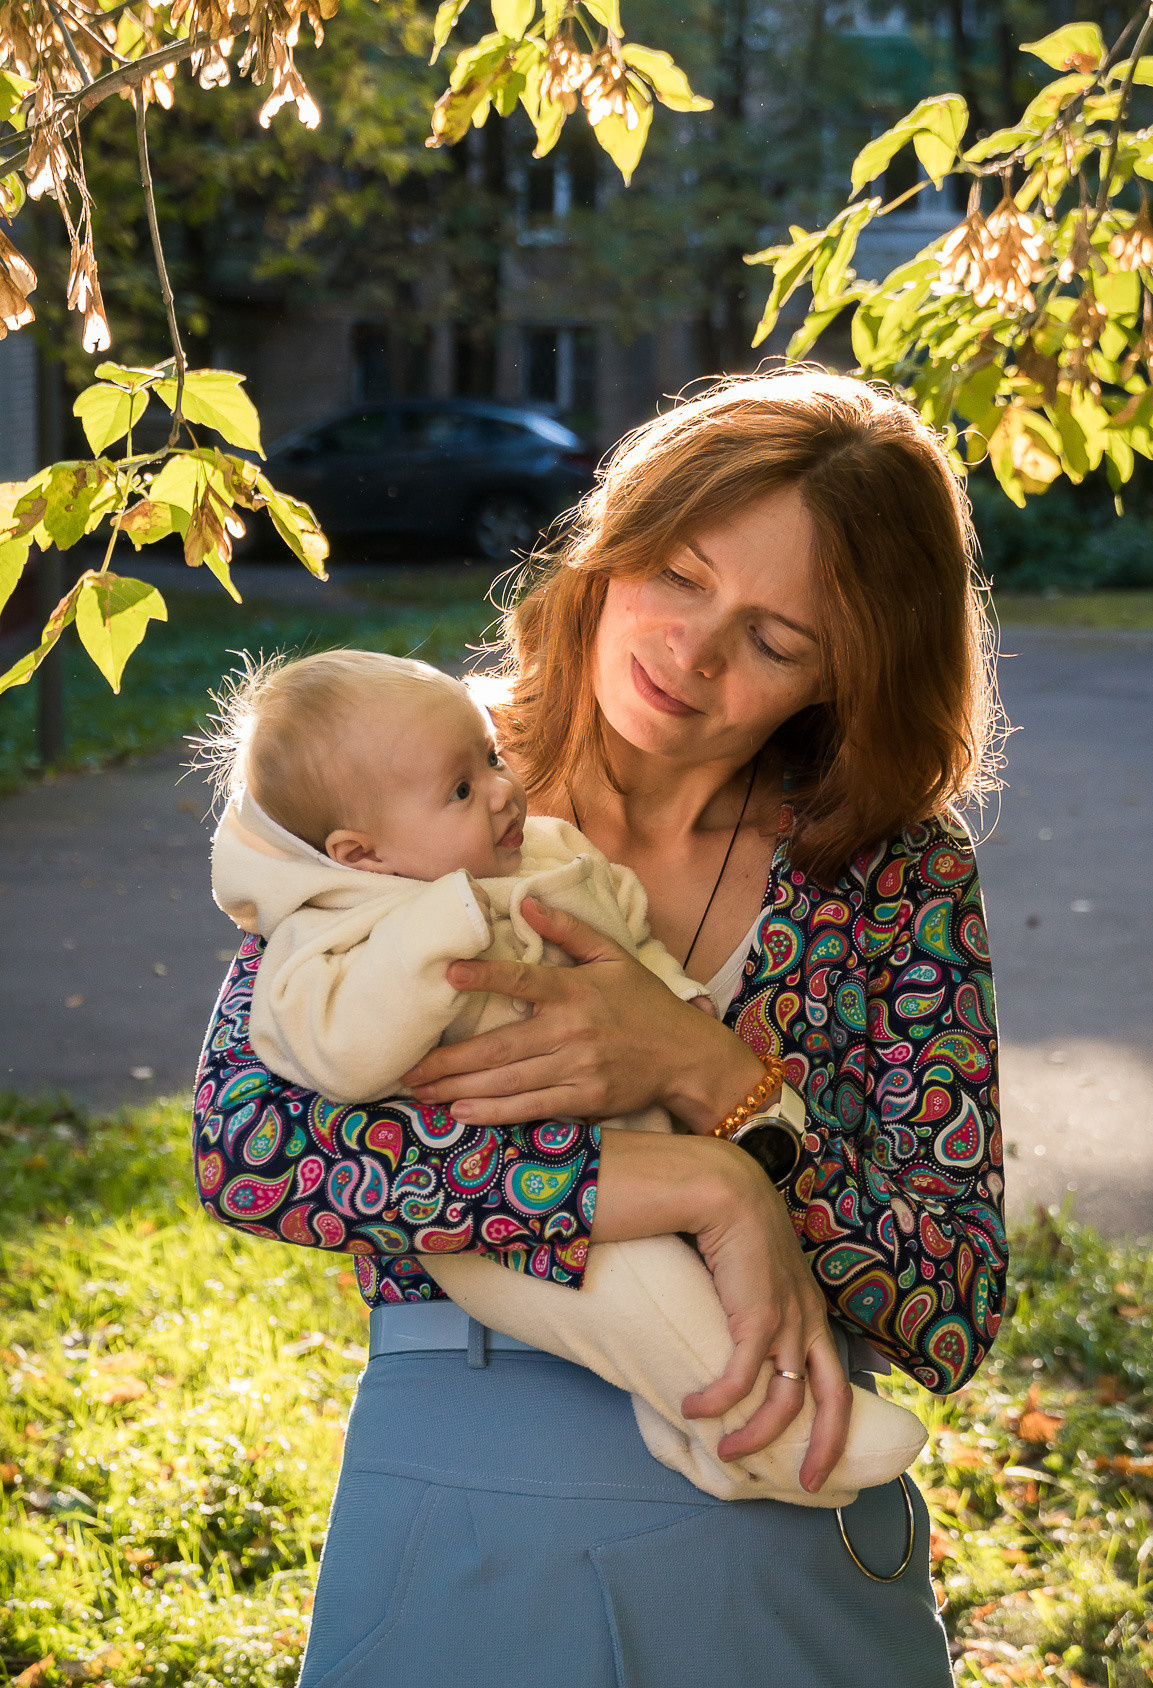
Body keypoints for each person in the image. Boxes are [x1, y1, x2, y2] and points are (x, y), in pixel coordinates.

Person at [193, 373, 1007, 1687]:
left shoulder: (891, 871)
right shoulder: (420, 769)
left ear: (848, 674)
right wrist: (696, 1189)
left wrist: (717, 1081)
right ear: (614, 541)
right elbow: (253, 1149)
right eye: (677, 575)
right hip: (460, 1485)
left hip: (782, 1504)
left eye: (775, 640)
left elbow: (949, 1299)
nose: (692, 653)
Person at [204, 648, 927, 1502]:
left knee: (682, 1292)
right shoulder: (338, 925)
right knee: (639, 1296)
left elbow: (624, 930)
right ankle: (782, 1437)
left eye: (491, 760)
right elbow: (270, 1127)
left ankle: (704, 1437)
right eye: (462, 789)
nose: (502, 790)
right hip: (492, 1239)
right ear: (361, 854)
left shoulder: (545, 855)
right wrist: (440, 924)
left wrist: (684, 1018)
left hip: (637, 1138)